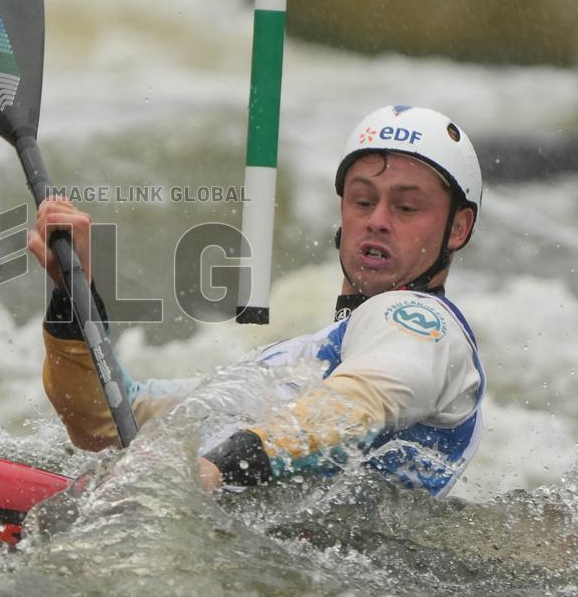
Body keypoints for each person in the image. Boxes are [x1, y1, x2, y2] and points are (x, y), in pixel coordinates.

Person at [27, 105, 484, 498]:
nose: (377, 221)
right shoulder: (309, 360)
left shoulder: (421, 322)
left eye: (406, 208)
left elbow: (368, 400)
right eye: (363, 201)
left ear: (459, 229)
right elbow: (108, 423)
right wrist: (74, 293)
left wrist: (218, 468)